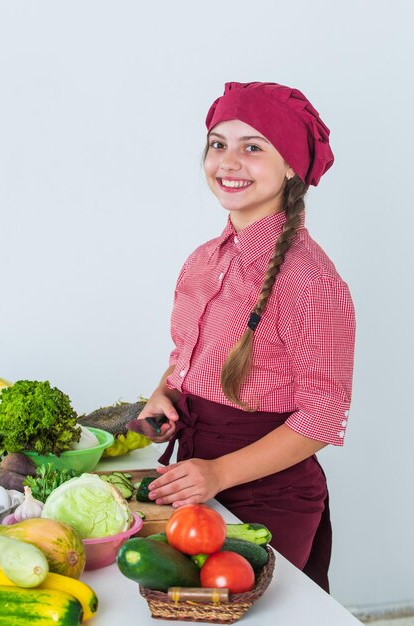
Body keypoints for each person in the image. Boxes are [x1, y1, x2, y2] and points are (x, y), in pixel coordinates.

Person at [137, 81, 356, 592]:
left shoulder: (312, 281)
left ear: (290, 168)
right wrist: (164, 390)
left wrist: (217, 474)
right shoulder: (203, 259)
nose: (228, 161)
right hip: (194, 479)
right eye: (218, 144)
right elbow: (187, 355)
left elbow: (322, 417)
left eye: (252, 147)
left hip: (266, 496)